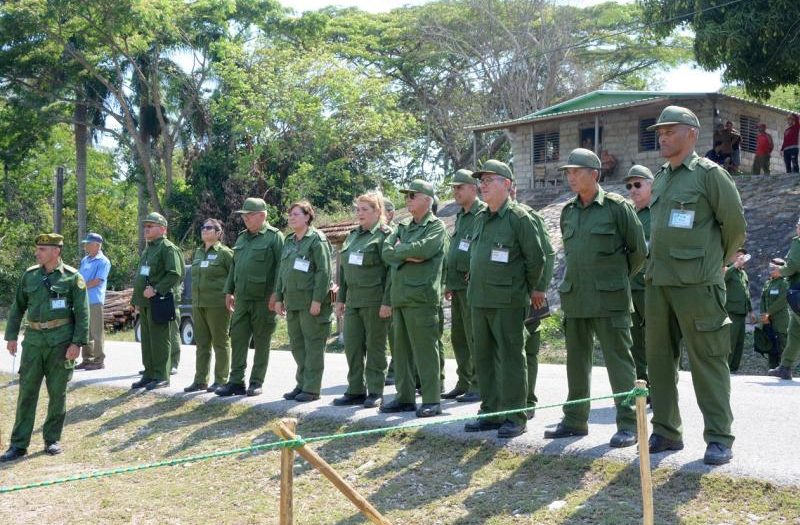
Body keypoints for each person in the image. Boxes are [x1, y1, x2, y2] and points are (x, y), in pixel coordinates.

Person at [645, 105, 746, 466]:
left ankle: (719, 436)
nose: (662, 137)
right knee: (658, 361)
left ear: (691, 134)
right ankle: (667, 431)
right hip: (659, 284)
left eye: (670, 131)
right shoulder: (661, 177)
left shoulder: (710, 175)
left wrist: (716, 264)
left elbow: (734, 226)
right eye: (660, 132)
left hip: (698, 285)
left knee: (707, 361)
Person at [543, 149, 646, 448]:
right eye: (568, 172)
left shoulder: (617, 208)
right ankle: (575, 419)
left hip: (610, 298)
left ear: (595, 174)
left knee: (619, 362)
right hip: (575, 296)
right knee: (576, 362)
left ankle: (628, 424)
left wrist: (615, 278)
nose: (570, 177)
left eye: (576, 171)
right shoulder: (568, 211)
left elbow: (638, 251)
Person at [463, 160, 545, 438]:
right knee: (483, 358)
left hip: (508, 299)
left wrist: (525, 289)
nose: (482, 185)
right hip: (479, 299)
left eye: (489, 180)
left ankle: (515, 415)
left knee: (511, 358)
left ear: (507, 184)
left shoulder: (519, 218)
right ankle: (490, 412)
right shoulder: (480, 217)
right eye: (481, 181)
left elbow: (537, 259)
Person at [1, 233, 89, 461]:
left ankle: (52, 440)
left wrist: (77, 343)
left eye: (42, 249)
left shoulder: (72, 278)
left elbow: (82, 313)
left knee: (57, 393)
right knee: (26, 393)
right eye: (37, 248)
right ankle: (18, 445)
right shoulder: (30, 276)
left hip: (60, 342)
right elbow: (17, 307)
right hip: (33, 342)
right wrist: (11, 336)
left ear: (55, 251)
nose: (37, 252)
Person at [380, 179, 446, 417]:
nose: (407, 199)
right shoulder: (401, 226)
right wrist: (407, 253)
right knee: (401, 352)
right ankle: (404, 398)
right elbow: (386, 252)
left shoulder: (436, 227)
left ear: (427, 200)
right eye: (406, 195)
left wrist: (403, 251)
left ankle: (431, 400)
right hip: (400, 297)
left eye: (412, 195)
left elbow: (425, 250)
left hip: (422, 297)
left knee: (425, 351)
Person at [216, 198, 283, 397]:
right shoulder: (242, 238)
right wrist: (229, 290)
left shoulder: (274, 237)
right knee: (238, 338)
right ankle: (236, 381)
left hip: (264, 299)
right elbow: (235, 267)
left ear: (262, 216)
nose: (244, 218)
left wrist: (277, 294)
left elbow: (282, 268)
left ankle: (256, 381)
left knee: (262, 340)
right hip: (243, 299)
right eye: (243, 215)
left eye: (249, 215)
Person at [334, 194, 393, 408]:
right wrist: (340, 299)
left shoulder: (385, 236)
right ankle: (355, 390)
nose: (359, 213)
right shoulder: (352, 236)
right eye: (358, 209)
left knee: (375, 348)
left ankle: (375, 391)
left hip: (375, 302)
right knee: (353, 347)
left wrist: (388, 302)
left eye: (365, 209)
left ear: (378, 212)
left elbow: (392, 273)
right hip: (353, 301)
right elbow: (344, 270)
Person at [275, 200, 333, 403]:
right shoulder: (289, 241)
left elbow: (324, 272)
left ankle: (312, 388)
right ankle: (301, 384)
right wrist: (278, 297)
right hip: (293, 302)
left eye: (296, 214)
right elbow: (282, 272)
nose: (291, 217)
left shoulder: (317, 239)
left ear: (307, 216)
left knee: (313, 346)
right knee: (298, 346)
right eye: (290, 214)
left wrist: (318, 300)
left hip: (311, 303)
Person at [509, 181, 555, 418]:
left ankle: (528, 400)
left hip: (528, 296)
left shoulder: (528, 217)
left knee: (529, 348)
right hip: (505, 297)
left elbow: (546, 253)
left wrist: (539, 289)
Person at [443, 169, 485, 403]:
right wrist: (449, 282)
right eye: (454, 188)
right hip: (457, 285)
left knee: (474, 336)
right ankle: (464, 381)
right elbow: (455, 250)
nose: (455, 191)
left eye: (460, 187)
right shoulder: (461, 215)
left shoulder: (481, 213)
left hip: (473, 286)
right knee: (459, 337)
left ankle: (479, 384)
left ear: (473, 188)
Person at [130, 212, 184, 391]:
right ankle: (149, 374)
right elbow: (142, 275)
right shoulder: (148, 248)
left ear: (162, 229)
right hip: (145, 302)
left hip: (159, 300)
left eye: (150, 226)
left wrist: (155, 290)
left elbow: (174, 273)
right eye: (145, 226)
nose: (146, 229)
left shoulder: (167, 248)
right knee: (146, 340)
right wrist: (137, 300)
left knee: (160, 340)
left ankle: (162, 376)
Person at [184, 219, 234, 393]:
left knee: (220, 342)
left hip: (217, 304)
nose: (204, 230)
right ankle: (200, 380)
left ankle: (221, 380)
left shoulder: (225, 253)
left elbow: (234, 276)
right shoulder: (198, 252)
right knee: (202, 344)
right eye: (203, 227)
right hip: (198, 303)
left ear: (219, 233)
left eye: (209, 228)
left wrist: (231, 295)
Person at [624, 165, 654, 384]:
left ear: (651, 185)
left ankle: (659, 386)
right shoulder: (629, 215)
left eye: (637, 184)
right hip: (631, 285)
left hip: (651, 286)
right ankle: (641, 385)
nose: (632, 190)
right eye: (629, 186)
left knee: (654, 338)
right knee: (635, 340)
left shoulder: (659, 213)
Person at [768, 217, 800, 379]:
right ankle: (785, 367)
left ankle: (785, 367)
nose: (797, 228)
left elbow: (793, 265)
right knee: (794, 332)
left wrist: (779, 271)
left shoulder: (798, 242)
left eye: (798, 225)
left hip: (798, 292)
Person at [76, 232, 111, 371]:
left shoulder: (103, 261)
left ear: (97, 245)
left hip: (95, 300)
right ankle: (87, 359)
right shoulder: (85, 260)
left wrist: (82, 286)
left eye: (88, 244)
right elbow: (79, 277)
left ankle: (99, 360)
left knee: (96, 331)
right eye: (85, 243)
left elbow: (98, 281)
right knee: (86, 331)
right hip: (83, 300)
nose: (85, 246)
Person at [725, 249, 755, 372]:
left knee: (739, 343)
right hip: (731, 312)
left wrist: (751, 311)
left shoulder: (743, 274)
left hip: (741, 313)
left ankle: (733, 368)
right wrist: (734, 265)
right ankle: (725, 368)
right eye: (738, 256)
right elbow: (722, 278)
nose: (741, 259)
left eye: (743, 257)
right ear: (732, 258)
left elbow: (746, 293)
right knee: (730, 342)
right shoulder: (728, 270)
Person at [760, 258, 790, 370]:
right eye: (770, 268)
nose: (770, 270)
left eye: (773, 268)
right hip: (768, 320)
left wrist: (768, 313)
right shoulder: (768, 283)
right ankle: (772, 368)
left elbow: (782, 301)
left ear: (781, 269)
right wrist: (763, 314)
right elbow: (763, 299)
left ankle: (784, 369)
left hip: (780, 321)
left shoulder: (785, 283)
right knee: (770, 344)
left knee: (782, 345)